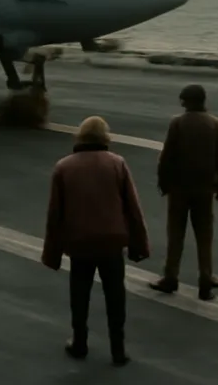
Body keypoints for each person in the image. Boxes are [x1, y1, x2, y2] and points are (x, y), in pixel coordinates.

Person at [41, 116, 149, 366]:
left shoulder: (63, 167)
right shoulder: (117, 163)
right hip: (112, 242)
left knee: (79, 294)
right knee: (115, 295)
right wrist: (139, 244)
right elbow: (133, 208)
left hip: (80, 242)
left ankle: (80, 342)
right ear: (105, 137)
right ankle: (118, 349)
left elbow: (55, 215)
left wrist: (52, 254)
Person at [148, 83, 218, 300]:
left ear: (187, 101)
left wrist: (163, 182)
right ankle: (205, 280)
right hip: (204, 189)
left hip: (179, 188)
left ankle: (170, 277)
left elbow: (166, 156)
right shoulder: (216, 124)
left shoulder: (178, 123)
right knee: (204, 236)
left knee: (176, 234)